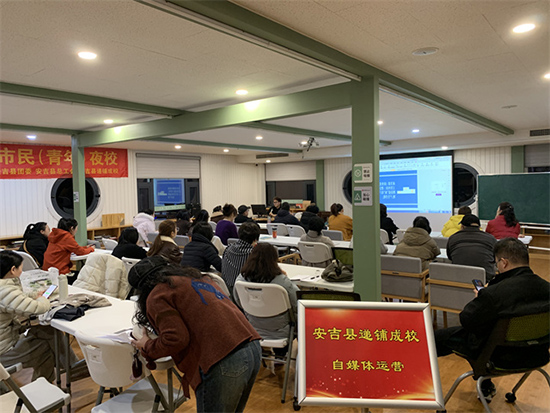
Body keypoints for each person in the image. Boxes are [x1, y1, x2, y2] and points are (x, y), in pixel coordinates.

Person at [129, 256, 261, 412]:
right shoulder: (198, 277)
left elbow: (175, 339)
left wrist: (147, 345)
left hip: (223, 358)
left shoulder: (157, 294)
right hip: (251, 346)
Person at [435, 238, 549, 401]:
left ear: (504, 262)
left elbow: (467, 320)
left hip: (499, 358)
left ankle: (422, 386)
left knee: (436, 338)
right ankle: (486, 386)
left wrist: (480, 299)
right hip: (537, 355)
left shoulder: (495, 293)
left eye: (496, 263)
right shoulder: (547, 288)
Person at [0, 251, 78, 382]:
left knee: (47, 330)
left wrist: (36, 295)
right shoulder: (5, 291)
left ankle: (69, 369)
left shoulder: (5, 287)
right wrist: (43, 299)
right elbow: (38, 308)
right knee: (47, 347)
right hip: (4, 350)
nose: (22, 272)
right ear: (13, 270)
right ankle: (72, 368)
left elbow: (17, 297)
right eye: (21, 268)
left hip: (7, 338)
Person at [234, 243, 299, 342]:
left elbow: (239, 302)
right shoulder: (282, 282)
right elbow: (297, 302)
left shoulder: (241, 279)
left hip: (253, 327)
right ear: (274, 259)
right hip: (280, 329)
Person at [446, 214, 497, 281]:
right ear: (479, 227)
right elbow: (495, 258)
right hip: (485, 280)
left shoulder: (453, 238)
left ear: (462, 226)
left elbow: (450, 257)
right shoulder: (491, 239)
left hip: (459, 279)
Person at [221, 222, 260, 296]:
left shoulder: (228, 248)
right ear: (255, 239)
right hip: (246, 294)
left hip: (227, 292)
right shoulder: (255, 255)